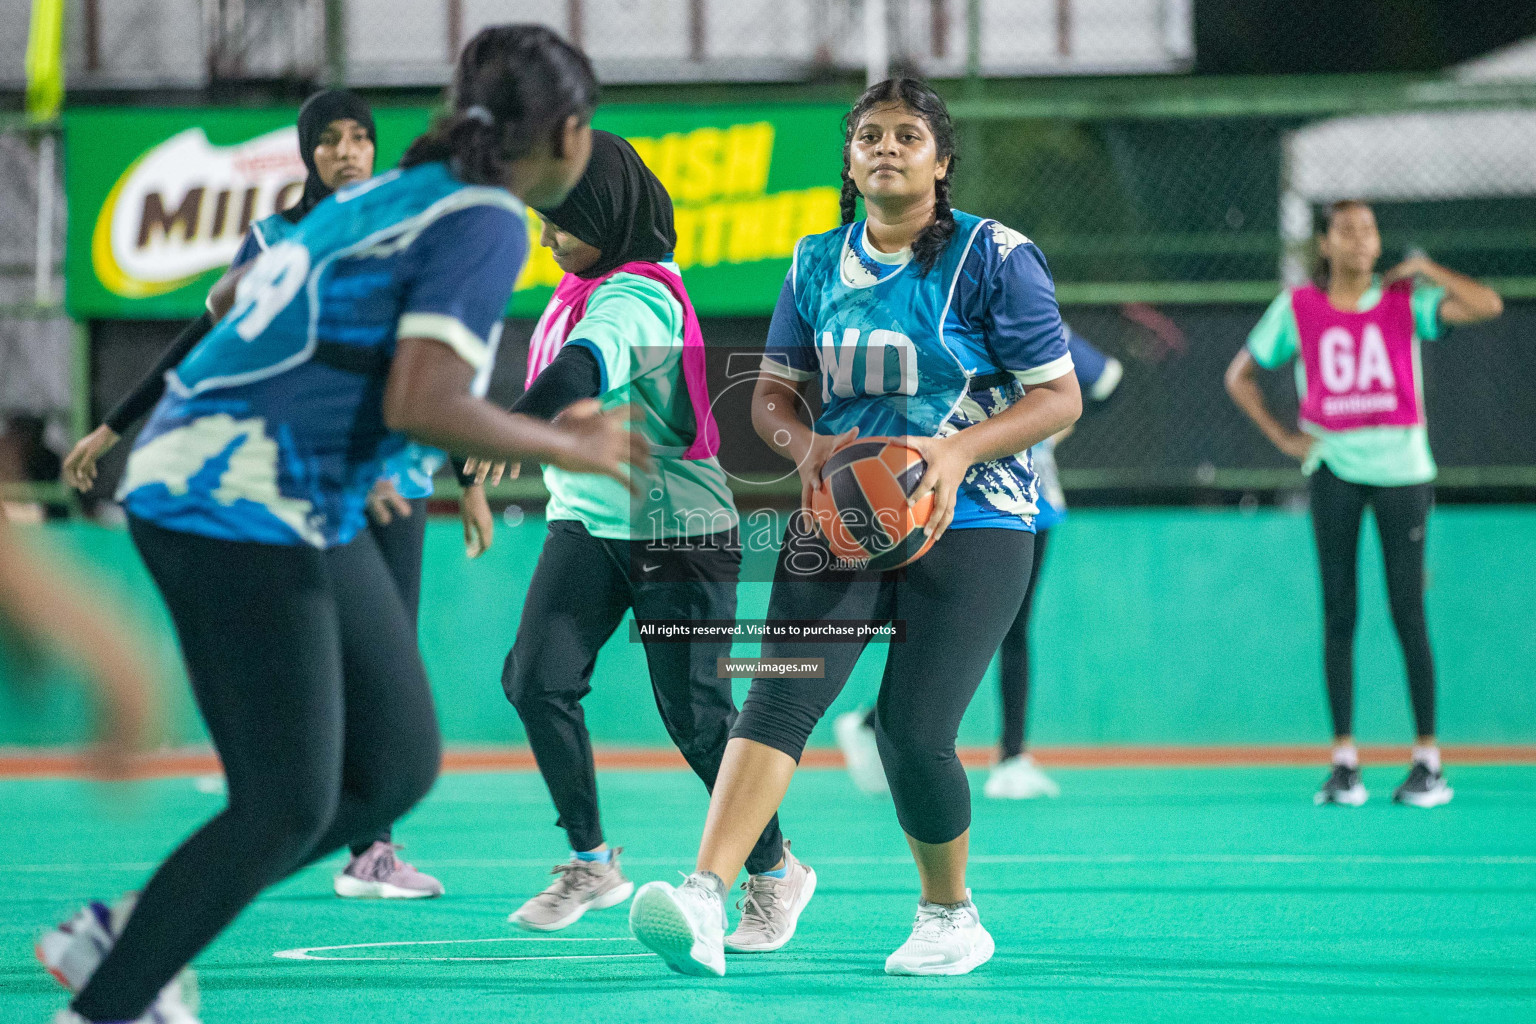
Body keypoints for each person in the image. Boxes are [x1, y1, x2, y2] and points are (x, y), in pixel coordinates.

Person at [35, 26, 642, 1024]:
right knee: (288, 799)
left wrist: (345, 435)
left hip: (262, 481)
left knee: (394, 765)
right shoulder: (486, 218)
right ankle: (109, 1000)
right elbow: (421, 396)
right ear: (571, 132)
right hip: (232, 496)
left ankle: (133, 928)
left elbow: (240, 298)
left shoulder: (377, 201)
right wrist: (570, 446)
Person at [627, 78, 1081, 978]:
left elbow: (1057, 397)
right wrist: (814, 454)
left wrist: (952, 455)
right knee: (776, 696)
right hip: (841, 512)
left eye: (907, 136)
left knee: (913, 732)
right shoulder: (813, 260)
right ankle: (708, 896)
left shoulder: (996, 257)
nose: (885, 148)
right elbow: (772, 398)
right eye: (868, 135)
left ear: (941, 161)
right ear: (849, 158)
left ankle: (950, 914)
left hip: (978, 514)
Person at [495, 131, 804, 950]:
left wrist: (503, 426)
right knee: (535, 680)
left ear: (605, 214)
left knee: (700, 720)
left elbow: (577, 376)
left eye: (559, 222)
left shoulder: (639, 297)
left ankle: (775, 871)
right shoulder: (577, 288)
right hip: (589, 522)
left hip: (679, 533)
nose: (547, 238)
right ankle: (592, 860)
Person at [1225, 200, 1502, 810]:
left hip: (1403, 472)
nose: (1360, 239)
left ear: (1380, 244)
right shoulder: (1299, 308)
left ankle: (1428, 760)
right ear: (1325, 243)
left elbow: (1488, 304)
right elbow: (1239, 374)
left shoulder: (1407, 301)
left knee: (1409, 610)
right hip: (1334, 469)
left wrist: (1428, 267)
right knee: (1339, 609)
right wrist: (1284, 437)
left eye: (1369, 230)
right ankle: (1345, 761)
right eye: (1346, 229)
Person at [833, 328, 1123, 800]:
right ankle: (979, 748)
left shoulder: (1004, 321)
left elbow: (1106, 380)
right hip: (964, 491)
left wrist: (1051, 428)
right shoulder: (981, 322)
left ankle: (1001, 753)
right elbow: (1106, 381)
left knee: (996, 623)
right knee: (970, 621)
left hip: (1006, 492)